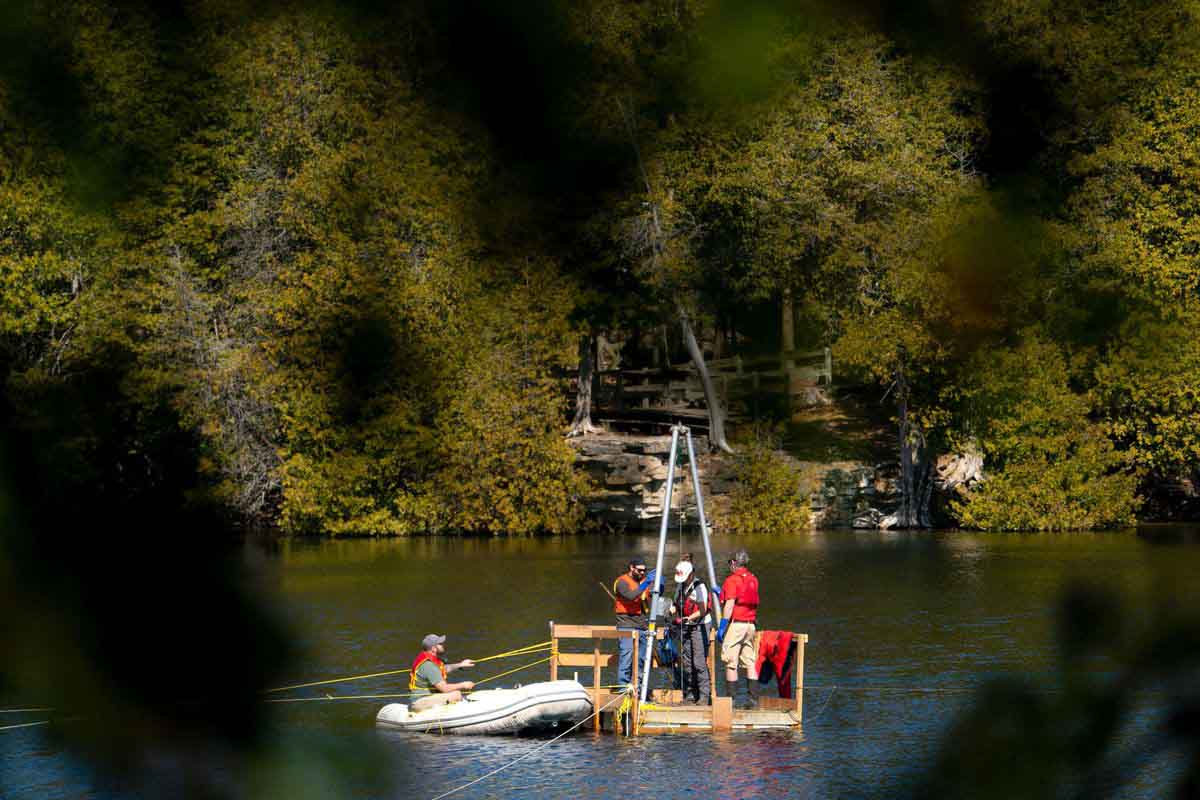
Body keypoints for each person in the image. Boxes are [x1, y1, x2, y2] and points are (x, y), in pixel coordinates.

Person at [717, 549, 760, 709]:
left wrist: (722, 626)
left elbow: (729, 605)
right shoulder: (753, 579)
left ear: (734, 563)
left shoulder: (732, 580)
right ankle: (753, 701)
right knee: (749, 662)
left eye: (730, 563)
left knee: (730, 662)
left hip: (736, 625)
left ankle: (731, 702)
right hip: (751, 625)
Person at [669, 559, 711, 704]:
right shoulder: (680, 587)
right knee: (687, 661)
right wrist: (672, 609)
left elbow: (703, 610)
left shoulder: (700, 588)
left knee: (699, 661)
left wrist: (688, 618)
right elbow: (676, 603)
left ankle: (704, 696)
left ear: (691, 574)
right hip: (686, 625)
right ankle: (691, 693)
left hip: (699, 624)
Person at [613, 557, 655, 688]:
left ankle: (639, 688)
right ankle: (623, 688)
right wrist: (646, 582)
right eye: (640, 570)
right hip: (626, 624)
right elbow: (631, 596)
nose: (642, 573)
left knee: (642, 659)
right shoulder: (622, 582)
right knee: (627, 655)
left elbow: (653, 595)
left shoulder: (644, 582)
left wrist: (658, 584)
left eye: (645, 571)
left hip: (642, 625)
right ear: (632, 568)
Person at [408, 633, 476, 712]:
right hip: (419, 702)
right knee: (456, 694)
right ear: (433, 648)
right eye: (440, 644)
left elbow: (444, 669)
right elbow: (445, 688)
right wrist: (464, 685)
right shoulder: (429, 665)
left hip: (426, 698)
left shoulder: (429, 659)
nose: (443, 645)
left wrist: (461, 664)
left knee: (455, 693)